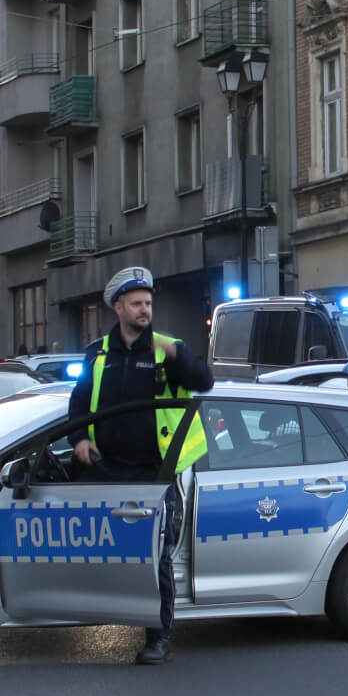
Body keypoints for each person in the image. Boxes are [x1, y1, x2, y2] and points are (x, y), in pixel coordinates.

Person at [69, 266, 216, 665]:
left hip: (154, 473)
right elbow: (78, 403)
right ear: (118, 308)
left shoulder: (168, 349)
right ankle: (92, 612)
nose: (144, 310)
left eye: (148, 303)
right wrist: (79, 439)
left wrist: (177, 354)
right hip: (106, 469)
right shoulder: (97, 354)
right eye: (136, 303)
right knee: (102, 549)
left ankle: (159, 636)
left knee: (155, 557)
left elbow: (204, 381)